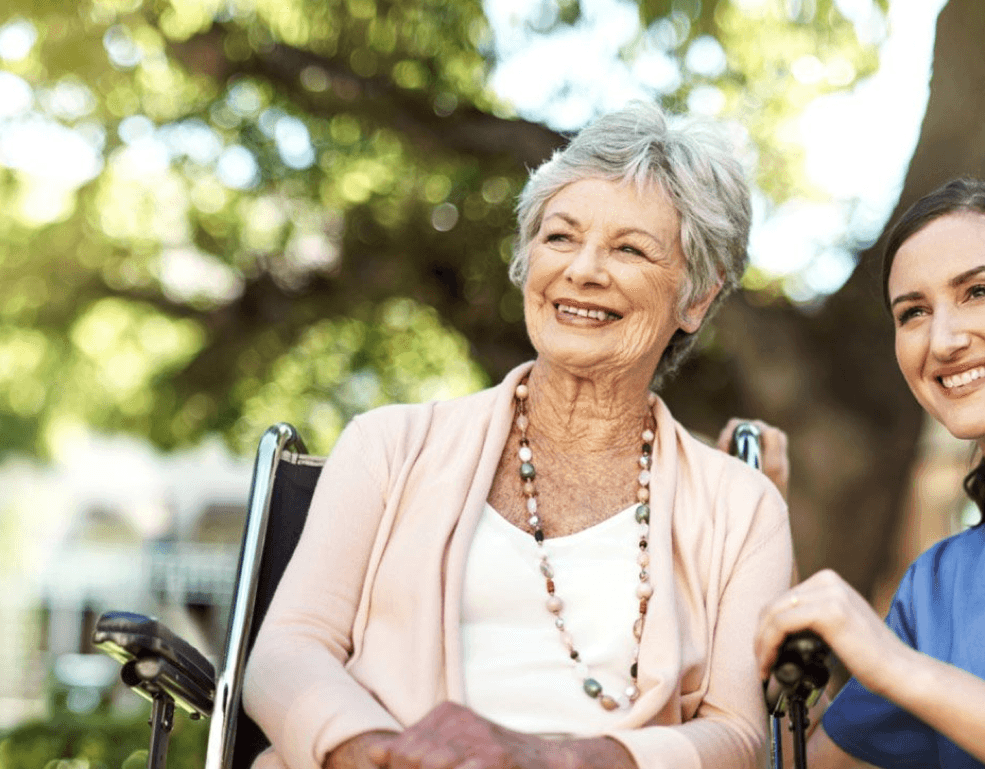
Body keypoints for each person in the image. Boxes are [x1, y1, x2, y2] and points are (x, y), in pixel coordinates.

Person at [241, 100, 793, 769]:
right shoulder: (388, 445)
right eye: (559, 237)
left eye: (628, 248)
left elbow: (737, 735)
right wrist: (380, 755)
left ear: (697, 297)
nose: (582, 269)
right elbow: (286, 652)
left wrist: (549, 761)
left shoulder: (742, 506)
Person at [754, 177, 985, 768]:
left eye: (978, 291)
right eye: (913, 312)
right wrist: (763, 542)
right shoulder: (940, 583)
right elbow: (824, 763)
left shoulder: (904, 654)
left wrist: (897, 666)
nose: (944, 339)